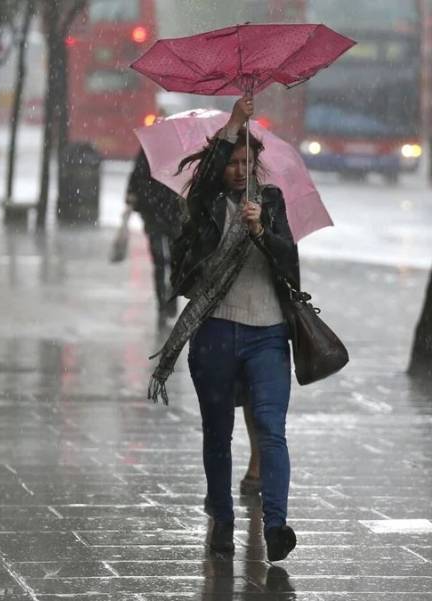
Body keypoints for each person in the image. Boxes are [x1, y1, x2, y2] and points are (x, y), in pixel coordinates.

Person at [148, 96, 300, 561]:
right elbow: (206, 184)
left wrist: (262, 234)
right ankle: (222, 521)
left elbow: (292, 266)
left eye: (246, 162)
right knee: (218, 431)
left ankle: (276, 525)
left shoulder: (270, 202)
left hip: (268, 334)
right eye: (232, 161)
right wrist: (234, 124)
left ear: (258, 166)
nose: (238, 169)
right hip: (215, 332)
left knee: (271, 429)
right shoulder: (207, 204)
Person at [125, 147, 182, 324]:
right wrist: (133, 193)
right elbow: (137, 174)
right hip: (155, 212)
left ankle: (170, 297)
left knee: (174, 261)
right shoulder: (149, 150)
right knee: (160, 260)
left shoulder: (183, 152)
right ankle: (162, 305)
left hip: (173, 213)